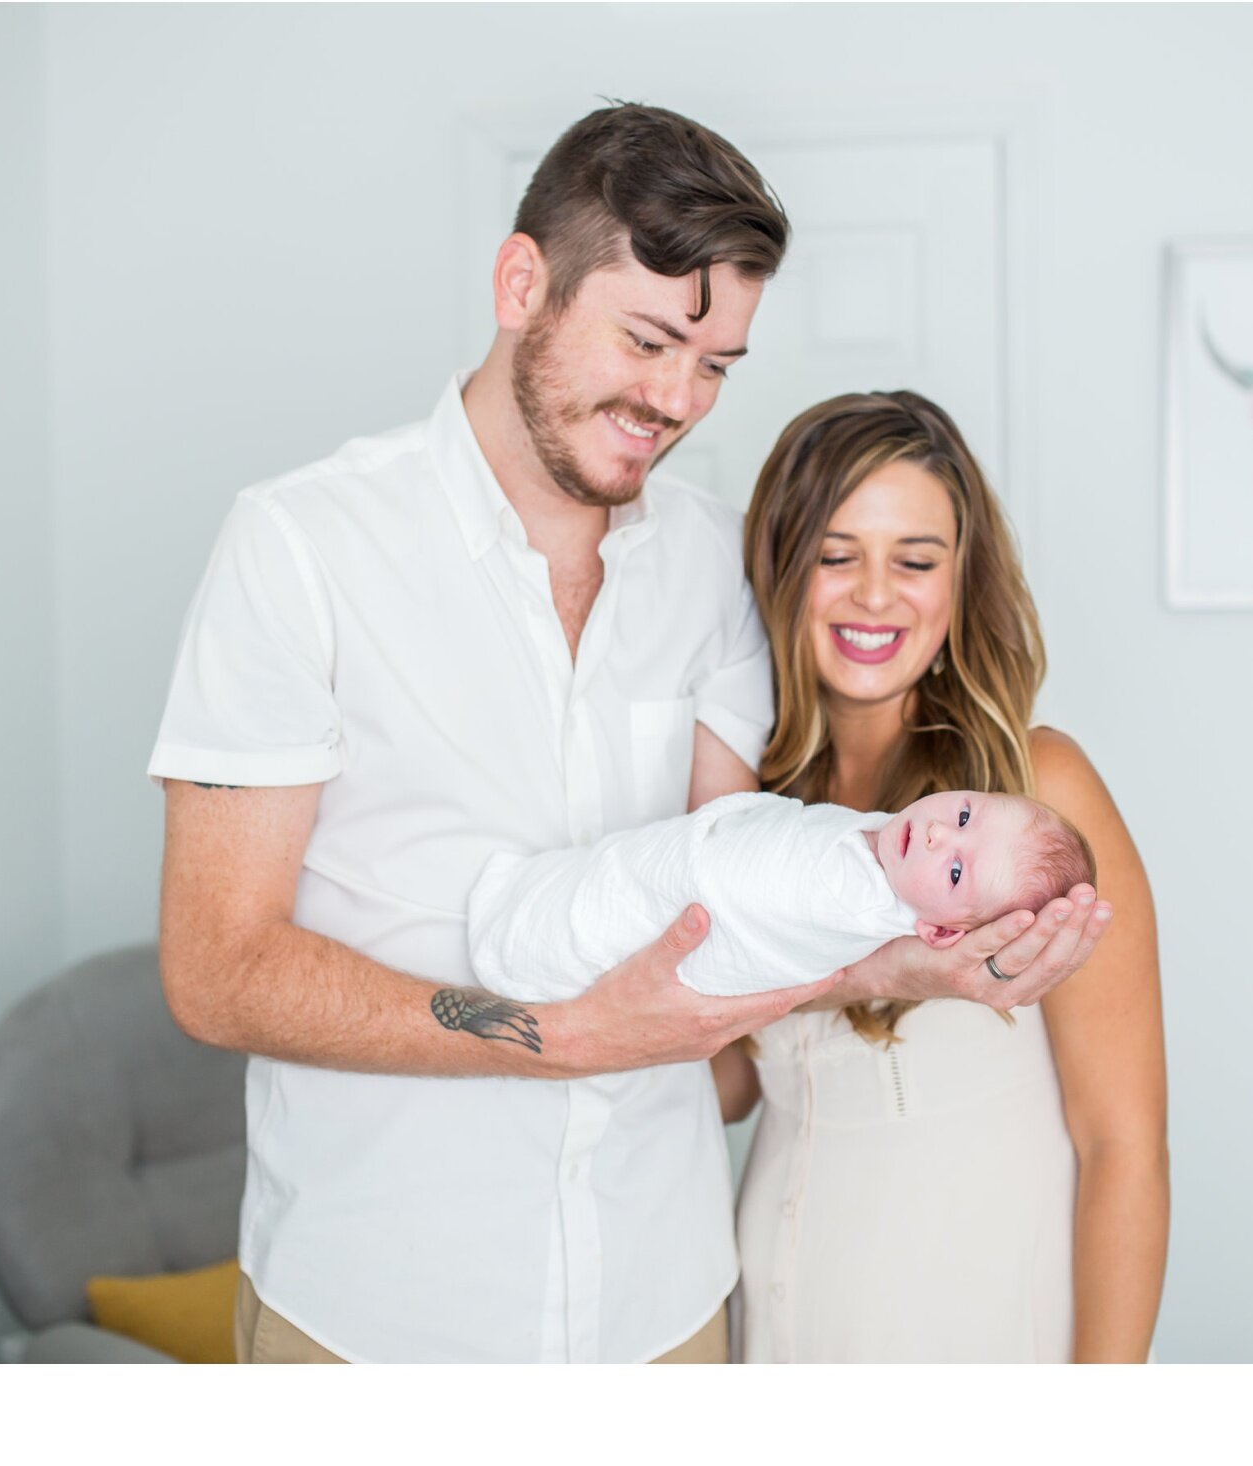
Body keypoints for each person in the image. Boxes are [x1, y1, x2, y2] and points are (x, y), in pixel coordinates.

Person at [150, 105, 1107, 1365]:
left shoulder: (718, 565)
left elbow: (729, 898)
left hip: (663, 1308)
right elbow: (216, 969)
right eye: (649, 340)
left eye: (714, 365)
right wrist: (558, 1039)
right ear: (519, 282)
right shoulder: (300, 549)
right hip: (376, 1315)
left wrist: (891, 968)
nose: (676, 400)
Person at [715, 390, 1166, 1363]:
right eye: (836, 554)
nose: (873, 594)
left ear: (961, 582)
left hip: (976, 1330)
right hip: (772, 1334)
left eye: (913, 560)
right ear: (780, 567)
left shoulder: (1038, 789)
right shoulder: (743, 801)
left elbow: (1120, 1144)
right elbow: (717, 1086)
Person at [470, 787, 1093, 1002]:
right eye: (964, 814)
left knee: (582, 917)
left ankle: (515, 938)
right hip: (591, 862)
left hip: (659, 904)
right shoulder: (884, 847)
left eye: (956, 873)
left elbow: (733, 886)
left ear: (938, 934)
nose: (935, 833)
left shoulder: (844, 898)